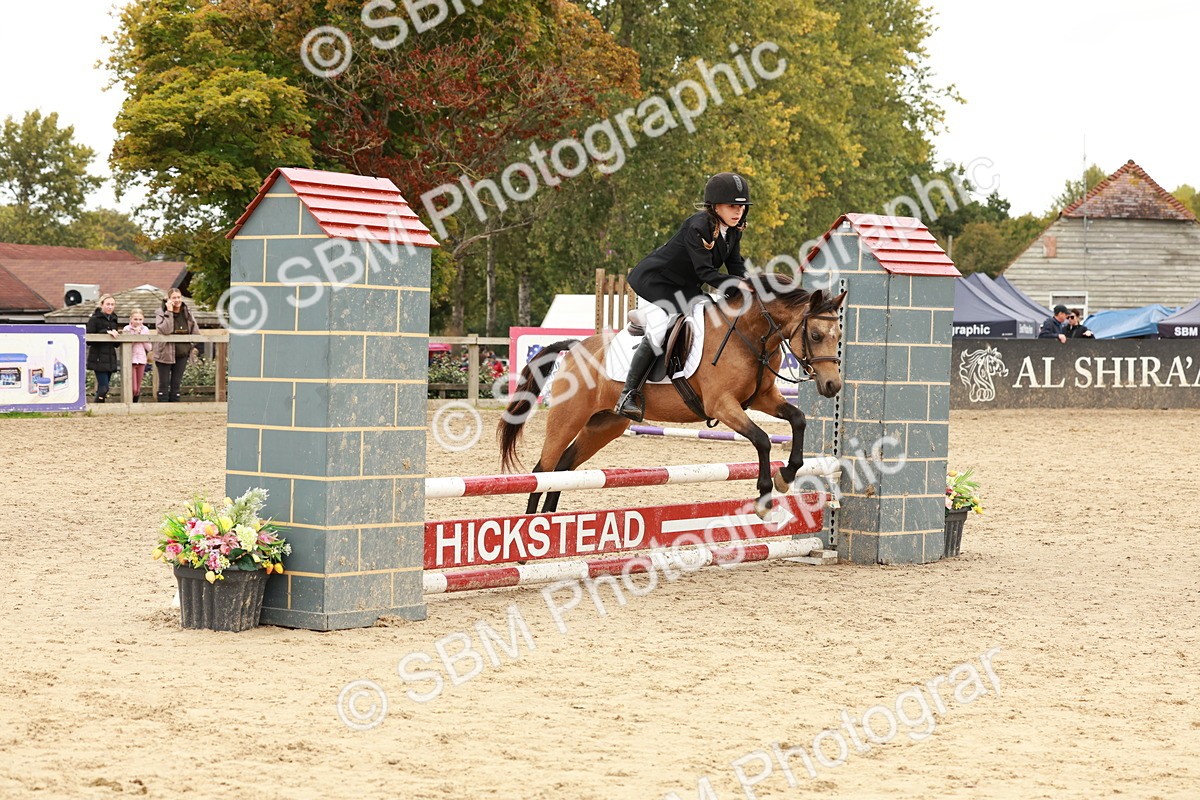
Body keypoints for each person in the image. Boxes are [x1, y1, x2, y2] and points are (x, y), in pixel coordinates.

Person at [614, 172, 753, 421]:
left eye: (742, 207)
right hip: (655, 281)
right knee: (661, 328)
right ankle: (628, 394)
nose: (738, 211)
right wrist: (738, 285)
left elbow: (736, 267)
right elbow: (705, 272)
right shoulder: (698, 226)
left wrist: (751, 286)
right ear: (715, 206)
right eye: (732, 206)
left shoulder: (733, 231)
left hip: (684, 286)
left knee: (710, 312)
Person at [153, 288, 199, 403]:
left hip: (182, 353)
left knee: (176, 383)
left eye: (179, 297)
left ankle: (175, 406)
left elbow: (195, 332)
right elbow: (165, 330)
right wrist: (169, 312)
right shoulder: (161, 312)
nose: (177, 300)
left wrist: (190, 345)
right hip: (165, 353)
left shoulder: (187, 312)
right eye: (174, 298)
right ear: (168, 299)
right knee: (164, 383)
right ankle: (163, 406)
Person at [85, 294, 121, 402]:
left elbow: (116, 344)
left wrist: (117, 336)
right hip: (98, 357)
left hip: (110, 357)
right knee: (104, 388)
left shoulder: (114, 319)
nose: (110, 307)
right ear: (101, 305)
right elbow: (89, 339)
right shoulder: (94, 319)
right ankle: (97, 406)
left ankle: (98, 406)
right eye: (108, 304)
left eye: (112, 304)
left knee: (103, 388)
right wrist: (105, 332)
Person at [122, 308, 154, 402]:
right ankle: (129, 402)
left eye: (140, 319)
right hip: (130, 360)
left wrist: (142, 336)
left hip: (141, 359)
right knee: (133, 388)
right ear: (131, 319)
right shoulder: (127, 329)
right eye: (135, 319)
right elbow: (127, 345)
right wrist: (136, 335)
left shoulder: (145, 329)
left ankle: (135, 404)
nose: (138, 322)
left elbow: (149, 347)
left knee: (138, 389)